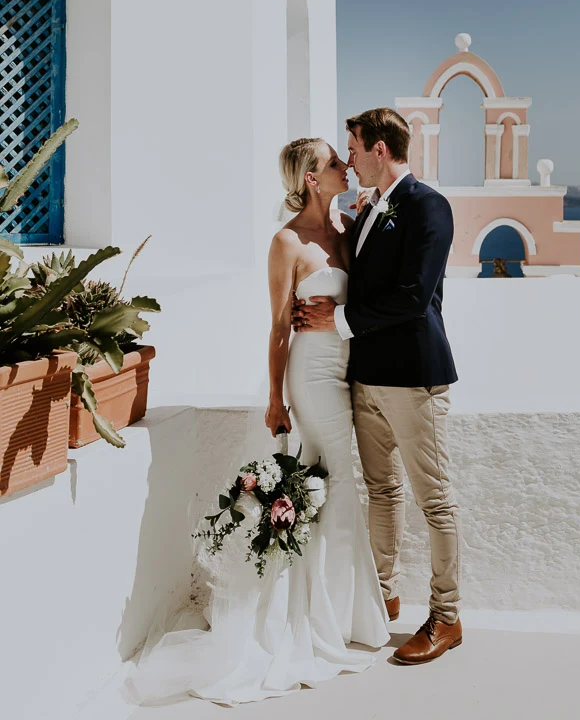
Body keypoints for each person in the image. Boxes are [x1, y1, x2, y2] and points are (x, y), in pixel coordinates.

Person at [123, 137, 388, 708]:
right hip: (313, 375)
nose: (347, 166)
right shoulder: (287, 242)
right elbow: (277, 330)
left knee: (332, 489)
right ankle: (323, 622)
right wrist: (275, 398)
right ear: (313, 178)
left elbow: (366, 299)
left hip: (349, 370)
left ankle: (335, 612)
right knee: (340, 482)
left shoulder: (346, 230)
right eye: (335, 163)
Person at [292, 108, 462, 665]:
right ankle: (381, 594)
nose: (350, 159)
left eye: (354, 148)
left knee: (433, 500)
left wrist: (335, 322)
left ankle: (446, 615)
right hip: (363, 380)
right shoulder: (363, 214)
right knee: (382, 492)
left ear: (381, 149)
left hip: (415, 380)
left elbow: (415, 295)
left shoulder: (429, 207)